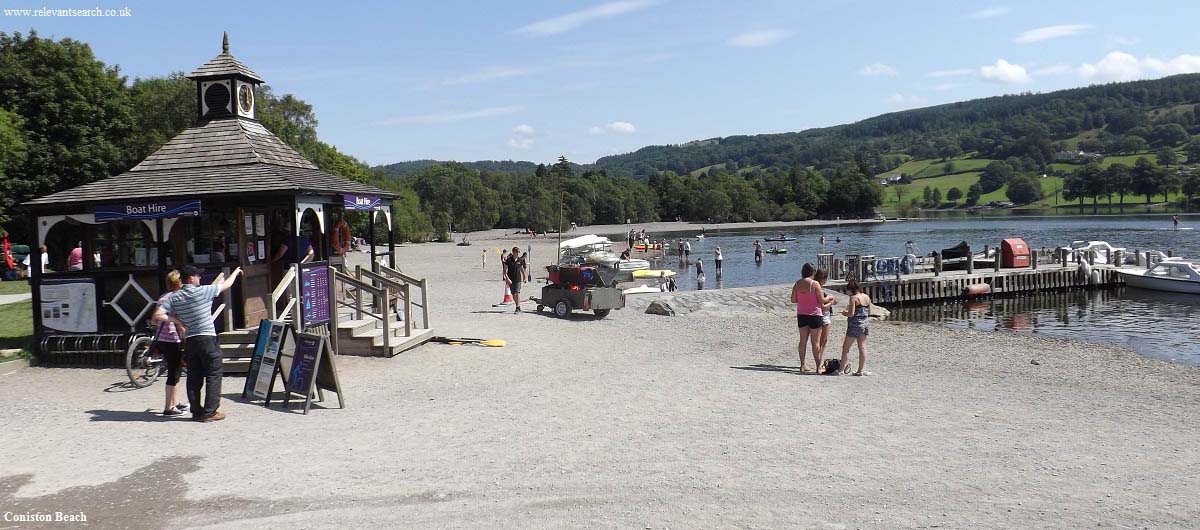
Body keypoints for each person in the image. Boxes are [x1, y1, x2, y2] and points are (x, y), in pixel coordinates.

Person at [153, 265, 243, 422]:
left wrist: (176, 320)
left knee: (194, 376)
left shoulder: (174, 297)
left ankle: (196, 411)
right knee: (214, 374)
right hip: (207, 337)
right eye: (197, 276)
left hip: (190, 340)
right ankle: (210, 412)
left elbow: (158, 315)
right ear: (191, 279)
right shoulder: (203, 291)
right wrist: (235, 273)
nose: (200, 278)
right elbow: (226, 285)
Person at [155, 271, 187, 417]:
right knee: (174, 373)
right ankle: (168, 408)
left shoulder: (163, 297)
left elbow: (154, 319)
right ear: (179, 283)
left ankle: (177, 401)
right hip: (173, 339)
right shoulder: (178, 298)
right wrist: (184, 335)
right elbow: (180, 322)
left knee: (175, 370)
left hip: (162, 338)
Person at [791, 263, 824, 373]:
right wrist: (830, 298)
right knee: (815, 343)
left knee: (803, 341)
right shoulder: (815, 284)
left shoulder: (797, 283)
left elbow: (793, 299)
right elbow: (821, 300)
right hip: (815, 315)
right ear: (813, 272)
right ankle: (818, 367)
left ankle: (802, 365)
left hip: (802, 314)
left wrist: (803, 299)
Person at [839, 277, 872, 376]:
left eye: (848, 290)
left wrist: (844, 313)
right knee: (862, 347)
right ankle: (860, 370)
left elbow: (851, 314)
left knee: (846, 348)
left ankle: (841, 370)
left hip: (854, 325)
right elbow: (869, 312)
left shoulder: (853, 298)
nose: (847, 292)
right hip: (864, 323)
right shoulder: (866, 297)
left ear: (851, 289)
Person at [813, 269, 837, 365]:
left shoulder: (813, 288)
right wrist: (832, 302)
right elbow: (823, 307)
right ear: (823, 278)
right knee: (822, 341)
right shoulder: (820, 290)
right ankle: (819, 362)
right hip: (824, 317)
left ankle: (818, 362)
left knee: (818, 341)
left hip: (815, 316)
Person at [504, 246, 527, 313]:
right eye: (516, 252)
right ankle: (518, 306)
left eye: (518, 252)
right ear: (513, 252)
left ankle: (517, 307)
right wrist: (507, 279)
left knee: (517, 292)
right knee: (513, 294)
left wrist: (524, 277)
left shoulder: (520, 260)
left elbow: (522, 269)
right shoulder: (508, 260)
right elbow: (505, 271)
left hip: (518, 279)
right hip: (510, 280)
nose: (518, 253)